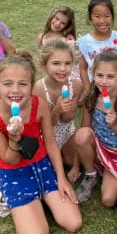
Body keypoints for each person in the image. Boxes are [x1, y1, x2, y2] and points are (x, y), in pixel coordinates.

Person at [0, 50, 82, 234]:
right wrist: (13, 139)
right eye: (7, 84)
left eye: (23, 84)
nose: (15, 90)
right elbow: (10, 158)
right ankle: (14, 198)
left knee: (73, 223)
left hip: (43, 165)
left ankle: (43, 196)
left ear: (31, 86)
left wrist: (61, 178)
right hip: (15, 172)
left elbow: (51, 144)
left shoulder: (39, 105)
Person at [73, 50, 117, 205]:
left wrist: (115, 125)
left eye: (110, 77)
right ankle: (91, 174)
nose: (104, 81)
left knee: (108, 200)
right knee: (82, 134)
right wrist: (76, 166)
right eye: (100, 75)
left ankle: (116, 175)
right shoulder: (91, 98)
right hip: (99, 150)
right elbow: (83, 131)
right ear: (93, 75)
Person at [32, 39, 82, 183]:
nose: (62, 69)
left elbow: (67, 118)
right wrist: (57, 110)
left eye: (67, 63)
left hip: (66, 132)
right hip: (46, 136)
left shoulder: (76, 85)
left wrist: (65, 110)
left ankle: (66, 158)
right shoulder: (38, 89)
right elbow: (45, 125)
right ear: (44, 64)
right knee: (45, 173)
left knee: (77, 161)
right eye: (56, 63)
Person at [77, 0, 117, 95]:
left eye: (107, 16)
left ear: (112, 17)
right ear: (90, 18)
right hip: (95, 87)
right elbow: (83, 69)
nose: (102, 21)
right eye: (97, 16)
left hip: (115, 86)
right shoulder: (83, 42)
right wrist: (88, 89)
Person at [37, 5, 79, 79]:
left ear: (67, 26)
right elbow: (42, 61)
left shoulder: (68, 39)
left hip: (67, 76)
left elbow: (75, 62)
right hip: (50, 76)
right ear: (52, 16)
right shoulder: (42, 37)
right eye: (57, 19)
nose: (57, 24)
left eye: (63, 23)